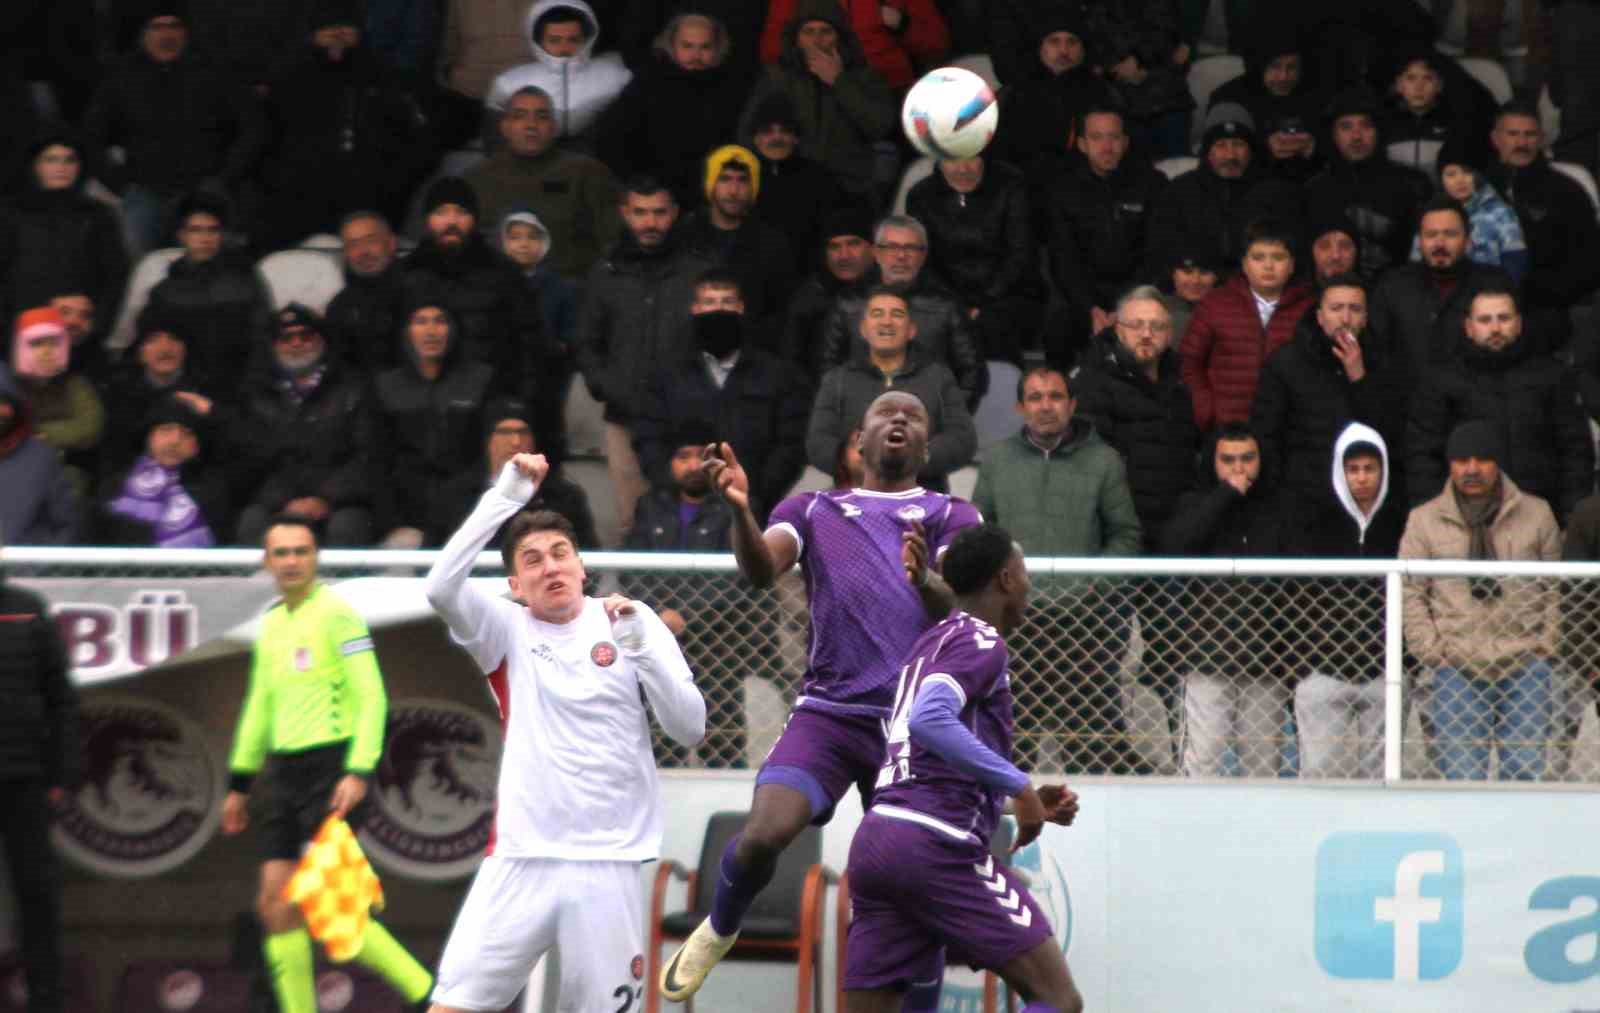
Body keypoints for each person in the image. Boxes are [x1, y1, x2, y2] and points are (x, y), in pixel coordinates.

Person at [659, 390, 981, 1004]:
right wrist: (739, 512)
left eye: (913, 416)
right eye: (886, 412)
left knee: (913, 890)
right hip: (830, 715)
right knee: (761, 835)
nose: (899, 421)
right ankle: (720, 926)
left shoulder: (952, 515)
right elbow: (759, 571)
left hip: (914, 727)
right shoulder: (812, 509)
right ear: (858, 439)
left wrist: (927, 582)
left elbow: (961, 612)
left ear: (927, 444)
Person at [423, 452, 704, 1013]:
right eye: (532, 561)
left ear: (581, 566)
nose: (549, 567)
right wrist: (506, 496)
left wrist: (643, 651)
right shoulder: (503, 629)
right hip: (521, 858)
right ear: (516, 584)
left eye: (560, 554)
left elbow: (690, 729)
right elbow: (440, 587)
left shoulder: (632, 619)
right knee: (454, 1006)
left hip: (611, 862)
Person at [843, 524, 1084, 1013]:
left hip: (878, 843)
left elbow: (928, 764)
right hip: (937, 848)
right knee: (1059, 1000)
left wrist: (1024, 799)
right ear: (1005, 579)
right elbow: (929, 720)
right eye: (1024, 573)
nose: (1029, 586)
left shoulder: (927, 645)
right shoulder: (981, 640)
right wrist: (1017, 784)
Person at [221, 516, 435, 1013]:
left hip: (331, 770)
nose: (292, 561)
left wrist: (358, 769)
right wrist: (239, 782)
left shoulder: (339, 614)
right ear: (267, 562)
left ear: (315, 558)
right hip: (280, 775)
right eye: (282, 553)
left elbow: (372, 696)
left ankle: (429, 997)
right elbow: (258, 706)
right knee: (274, 905)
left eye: (301, 551)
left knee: (334, 908)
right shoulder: (272, 622)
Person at [973, 365, 1144, 775]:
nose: (1045, 406)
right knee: (1011, 742)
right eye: (1035, 397)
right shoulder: (997, 460)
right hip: (1016, 622)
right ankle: (1004, 829)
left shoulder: (1103, 461)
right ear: (1020, 407)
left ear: (1071, 405)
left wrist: (1092, 585)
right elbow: (979, 530)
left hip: (1084, 622)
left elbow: (1125, 535)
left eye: (1054, 397)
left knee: (1092, 746)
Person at [1400, 420, 1560, 781]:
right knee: (1460, 780)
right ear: (1450, 464)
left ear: (1498, 462)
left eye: (1482, 459)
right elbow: (1410, 593)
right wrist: (1433, 652)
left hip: (1525, 665)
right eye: (1461, 460)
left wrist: (1545, 646)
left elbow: (1557, 587)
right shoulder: (1424, 520)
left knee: (1525, 779)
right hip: (1455, 667)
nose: (1471, 469)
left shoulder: (1537, 514)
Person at [575, 177, 714, 542]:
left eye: (658, 213)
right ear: (625, 213)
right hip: (625, 417)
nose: (649, 223)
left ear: (674, 214)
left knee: (702, 521)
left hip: (691, 422)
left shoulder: (698, 271)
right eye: (640, 213)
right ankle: (638, 601)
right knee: (633, 522)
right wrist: (608, 387)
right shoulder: (606, 272)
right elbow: (587, 343)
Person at [1160, 422, 1293, 776]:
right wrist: (1225, 496)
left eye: (1248, 459)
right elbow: (1176, 544)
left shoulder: (1278, 507)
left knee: (1262, 767)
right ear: (1212, 462)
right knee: (1203, 761)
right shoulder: (1195, 502)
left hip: (1266, 661)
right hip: (1208, 658)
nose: (1239, 469)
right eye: (1229, 460)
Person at [82, 2, 265, 255]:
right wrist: (120, 183)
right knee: (139, 268)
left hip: (205, 194)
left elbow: (252, 128)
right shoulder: (120, 78)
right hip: (144, 194)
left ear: (186, 32)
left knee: (215, 267)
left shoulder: (217, 73)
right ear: (143, 33)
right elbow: (92, 137)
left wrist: (225, 178)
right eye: (157, 26)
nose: (166, 34)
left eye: (174, 26)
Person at [1406, 283, 1592, 524]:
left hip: (1539, 520)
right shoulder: (1441, 381)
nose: (1495, 328)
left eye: (1503, 318)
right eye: (1485, 320)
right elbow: (1422, 456)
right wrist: (1434, 520)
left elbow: (1575, 453)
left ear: (1519, 324)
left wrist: (1571, 518)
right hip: (1461, 522)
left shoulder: (1552, 377)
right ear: (1468, 327)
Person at [633, 270, 810, 523]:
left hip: (754, 507)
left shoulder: (777, 376)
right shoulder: (665, 375)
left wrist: (756, 491)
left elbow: (790, 443)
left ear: (741, 308)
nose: (719, 311)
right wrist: (675, 487)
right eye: (710, 303)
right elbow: (648, 437)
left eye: (727, 302)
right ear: (695, 309)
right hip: (681, 511)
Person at [254, 5, 435, 248]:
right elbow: (263, 140)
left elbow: (417, 142)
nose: (337, 37)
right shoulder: (289, 77)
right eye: (329, 30)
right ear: (314, 32)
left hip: (369, 205)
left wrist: (391, 187)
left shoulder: (383, 77)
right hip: (297, 204)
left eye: (345, 29)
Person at [1290, 423, 1405, 779]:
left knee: (1384, 776)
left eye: (1370, 468)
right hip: (1323, 670)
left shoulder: (1402, 521)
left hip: (1385, 674)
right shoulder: (1312, 522)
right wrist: (1300, 666)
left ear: (1383, 470)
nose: (1361, 478)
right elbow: (1296, 598)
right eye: (1352, 469)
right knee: (1321, 774)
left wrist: (1405, 663)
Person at [0, 537, 78, 1013]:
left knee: (37, 895)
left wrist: (61, 774)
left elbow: (61, 700)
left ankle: (46, 1001)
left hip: (25, 777)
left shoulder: (28, 611)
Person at [400, 177, 552, 420]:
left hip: (490, 408)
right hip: (420, 410)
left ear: (474, 218)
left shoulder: (504, 273)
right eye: (441, 212)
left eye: (460, 212)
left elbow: (529, 345)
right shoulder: (404, 276)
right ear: (427, 220)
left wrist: (520, 404)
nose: (451, 222)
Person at [229, 305, 377, 547]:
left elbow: (367, 455)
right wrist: (283, 502)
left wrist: (324, 499)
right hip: (277, 503)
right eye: (287, 337)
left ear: (321, 340)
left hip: (340, 504)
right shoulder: (255, 395)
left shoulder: (353, 388)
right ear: (274, 345)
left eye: (305, 335)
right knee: (251, 521)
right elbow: (249, 462)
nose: (297, 343)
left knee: (348, 525)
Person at [1250, 273, 1396, 515]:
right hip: (1301, 496)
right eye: (1336, 308)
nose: (1345, 318)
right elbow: (1267, 434)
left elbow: (1387, 432)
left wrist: (1359, 378)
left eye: (1355, 309)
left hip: (1363, 497)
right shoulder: (1286, 362)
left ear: (1365, 318)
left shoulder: (1382, 362)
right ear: (1319, 316)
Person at [808, 289, 977, 490]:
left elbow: (962, 439)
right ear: (863, 329)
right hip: (854, 500)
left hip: (923, 501)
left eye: (897, 314)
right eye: (877, 314)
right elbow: (818, 440)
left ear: (911, 330)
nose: (886, 322)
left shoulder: (938, 377)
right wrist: (847, 457)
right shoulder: (837, 379)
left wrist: (913, 457)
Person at [1072, 286, 1199, 545]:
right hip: (1120, 530)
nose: (1146, 334)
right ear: (1118, 329)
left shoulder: (1182, 382)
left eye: (1156, 326)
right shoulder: (1093, 382)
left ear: (1169, 334)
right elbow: (1090, 466)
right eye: (1136, 325)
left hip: (1173, 525)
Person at [373, 294, 500, 548]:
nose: (431, 331)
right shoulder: (385, 386)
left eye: (440, 321)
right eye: (421, 321)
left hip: (468, 508)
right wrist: (393, 520)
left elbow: (488, 456)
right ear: (406, 330)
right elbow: (377, 460)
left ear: (454, 329)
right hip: (405, 513)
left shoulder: (482, 380)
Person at [738, 1, 898, 199]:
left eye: (826, 31)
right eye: (808, 31)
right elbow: (747, 135)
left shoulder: (865, 76)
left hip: (849, 188)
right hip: (788, 185)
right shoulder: (776, 77)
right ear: (796, 38)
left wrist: (839, 81)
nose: (817, 39)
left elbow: (880, 126)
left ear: (840, 37)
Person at [1043, 105, 1168, 357]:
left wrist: (1124, 306)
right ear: (1081, 144)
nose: (1107, 146)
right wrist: (1090, 308)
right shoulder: (1063, 190)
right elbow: (1063, 258)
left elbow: (1156, 252)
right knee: (1058, 324)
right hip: (1083, 296)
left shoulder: (1152, 184)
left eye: (1114, 137)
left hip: (1136, 291)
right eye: (1097, 137)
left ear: (1125, 142)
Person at [819, 216, 985, 404]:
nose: (901, 256)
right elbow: (828, 368)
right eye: (891, 247)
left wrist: (948, 416)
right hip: (860, 418)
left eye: (911, 248)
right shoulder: (848, 303)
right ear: (876, 253)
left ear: (923, 256)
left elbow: (972, 371)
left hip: (931, 418)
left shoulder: (946, 305)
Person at [596, 13, 751, 210]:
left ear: (718, 48)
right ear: (671, 46)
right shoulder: (647, 83)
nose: (696, 55)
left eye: (705, 47)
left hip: (715, 198)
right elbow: (611, 141)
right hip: (653, 198)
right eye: (687, 46)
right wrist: (643, 186)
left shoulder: (733, 89)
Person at [465, 86, 622, 281]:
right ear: (504, 127)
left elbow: (614, 242)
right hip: (496, 294)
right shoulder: (476, 178)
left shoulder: (588, 173)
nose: (531, 124)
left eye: (542, 116)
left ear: (554, 127)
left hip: (572, 291)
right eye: (520, 116)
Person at [905, 154, 1045, 365]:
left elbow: (1019, 254)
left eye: (971, 158)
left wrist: (982, 302)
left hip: (1006, 293)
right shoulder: (920, 195)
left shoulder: (1010, 185)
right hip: (944, 294)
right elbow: (922, 260)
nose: (963, 168)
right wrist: (957, 304)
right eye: (953, 159)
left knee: (992, 326)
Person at [1371, 196, 1514, 398]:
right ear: (1419, 241)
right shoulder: (1393, 285)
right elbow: (1377, 350)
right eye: (1431, 235)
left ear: (1468, 240)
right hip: (1408, 407)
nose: (1439, 242)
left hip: (1478, 402)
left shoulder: (1495, 283)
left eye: (1450, 234)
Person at [1482, 102, 1600, 346]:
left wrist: (1537, 294)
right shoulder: (1474, 187)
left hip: (1544, 306)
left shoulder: (1567, 190)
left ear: (1541, 139)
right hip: (1478, 302)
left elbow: (1587, 260)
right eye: (1512, 134)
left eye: (1530, 134)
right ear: (1495, 139)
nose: (1522, 143)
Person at [1178, 219, 1313, 431]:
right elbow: (1189, 364)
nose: (1268, 266)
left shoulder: (1310, 309)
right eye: (1258, 257)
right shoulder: (1215, 304)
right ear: (1244, 264)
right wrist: (1207, 411)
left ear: (1292, 265)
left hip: (1289, 432)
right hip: (1225, 432)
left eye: (1278, 257)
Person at [0, 128, 128, 338]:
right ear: (35, 165)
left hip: (80, 328)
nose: (61, 167)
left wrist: (95, 324)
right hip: (18, 327)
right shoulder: (10, 213)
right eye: (51, 159)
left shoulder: (98, 214)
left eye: (70, 160)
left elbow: (114, 275)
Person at [1145, 103, 1303, 272]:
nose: (1230, 155)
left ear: (1252, 150)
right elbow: (1162, 251)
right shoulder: (1179, 192)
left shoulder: (1279, 192)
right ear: (1208, 151)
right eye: (1221, 145)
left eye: (1238, 144)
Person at [143, 193, 274, 395]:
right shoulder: (164, 292)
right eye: (196, 230)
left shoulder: (246, 283)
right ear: (181, 235)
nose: (205, 238)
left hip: (239, 390)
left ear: (221, 235)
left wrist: (251, 389)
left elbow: (262, 339)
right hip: (182, 393)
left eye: (213, 230)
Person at [432, 396, 598, 547]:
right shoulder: (455, 496)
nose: (515, 441)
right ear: (488, 440)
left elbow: (589, 559)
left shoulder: (565, 496)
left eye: (523, 432)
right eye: (504, 432)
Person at [1303, 86, 1432, 280]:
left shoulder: (1411, 186)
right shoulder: (1315, 190)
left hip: (1397, 295)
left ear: (1379, 131)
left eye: (1366, 126)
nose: (1356, 136)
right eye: (1346, 127)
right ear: (1332, 134)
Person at [675, 146, 799, 331]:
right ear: (711, 184)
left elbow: (781, 312)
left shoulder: (771, 243)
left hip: (751, 351)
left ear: (753, 187)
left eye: (742, 180)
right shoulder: (683, 236)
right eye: (724, 179)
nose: (733, 190)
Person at [485, 0, 631, 146]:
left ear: (587, 39)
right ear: (538, 41)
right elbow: (495, 136)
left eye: (573, 40)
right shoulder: (510, 82)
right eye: (554, 40)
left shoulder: (615, 76)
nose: (564, 48)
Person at [988, 5, 1114, 172]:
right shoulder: (1017, 92)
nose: (1063, 51)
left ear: (1083, 50)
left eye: (1072, 42)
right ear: (1041, 48)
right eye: (1054, 41)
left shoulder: (1100, 92)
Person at [97, 306, 217, 481]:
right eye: (153, 340)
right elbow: (112, 454)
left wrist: (212, 415)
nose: (165, 347)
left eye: (174, 339)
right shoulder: (118, 391)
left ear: (186, 349)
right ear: (140, 352)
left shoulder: (207, 391)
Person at [97, 393, 229, 547]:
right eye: (166, 430)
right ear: (149, 438)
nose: (175, 441)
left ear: (197, 446)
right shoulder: (117, 488)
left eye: (187, 433)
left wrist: (215, 412)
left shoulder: (212, 489)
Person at [4, 307, 105, 496]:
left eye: (54, 343)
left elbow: (91, 427)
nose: (47, 352)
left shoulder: (75, 384)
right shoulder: (6, 384)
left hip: (60, 470)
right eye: (37, 344)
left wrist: (41, 434)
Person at [745, 93, 844, 281]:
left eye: (785, 130)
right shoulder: (741, 178)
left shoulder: (819, 178)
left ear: (796, 138)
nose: (777, 137)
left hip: (808, 280)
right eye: (767, 131)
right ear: (755, 138)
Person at [1206, 26, 1322, 183]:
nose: (1283, 76)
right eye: (1275, 66)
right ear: (1259, 66)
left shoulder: (1314, 94)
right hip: (1248, 185)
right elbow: (1215, 155)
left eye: (1292, 67)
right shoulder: (1228, 98)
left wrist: (1314, 147)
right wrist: (1264, 148)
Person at [759, 0, 948, 93]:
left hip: (887, 91)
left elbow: (936, 44)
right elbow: (771, 50)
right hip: (817, 94)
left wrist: (902, 23)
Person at [1086, 0, 1194, 161]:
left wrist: (1139, 59)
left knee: (1176, 170)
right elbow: (1089, 42)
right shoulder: (1093, 8)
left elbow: (1169, 33)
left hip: (1165, 97)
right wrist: (1115, 67)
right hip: (1116, 102)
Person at [780, 204, 876, 383]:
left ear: (874, 250)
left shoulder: (889, 295)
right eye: (834, 247)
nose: (843, 255)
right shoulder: (806, 300)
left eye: (853, 244)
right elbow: (791, 363)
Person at [1415, 138, 1528, 287]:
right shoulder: (1431, 214)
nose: (1460, 180)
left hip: (1489, 298)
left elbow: (1515, 264)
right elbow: (1416, 263)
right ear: (1440, 179)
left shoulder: (1501, 213)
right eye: (1451, 174)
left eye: (1467, 172)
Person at [1379, 46, 1492, 177]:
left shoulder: (1455, 124)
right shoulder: (1384, 124)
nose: (1419, 86)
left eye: (1427, 78)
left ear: (1439, 85)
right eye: (1411, 78)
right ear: (1399, 85)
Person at [324, 211, 408, 374]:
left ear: (391, 243)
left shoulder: (421, 291)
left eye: (371, 241)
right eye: (353, 244)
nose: (363, 251)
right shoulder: (338, 309)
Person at [499, 212, 580, 360]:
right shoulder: (493, 284)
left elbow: (570, 335)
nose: (524, 244)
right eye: (515, 237)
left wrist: (558, 349)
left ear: (543, 242)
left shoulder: (559, 287)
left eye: (532, 237)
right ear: (504, 243)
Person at [1160, 246, 1218, 341]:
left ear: (1215, 277)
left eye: (1204, 273)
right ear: (1174, 275)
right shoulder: (1154, 310)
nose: (1195, 281)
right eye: (1188, 272)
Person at [1307, 216, 1361, 284]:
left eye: (1345, 246)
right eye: (1324, 246)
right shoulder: (1298, 294)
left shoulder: (1373, 293)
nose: (1335, 256)